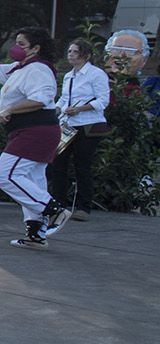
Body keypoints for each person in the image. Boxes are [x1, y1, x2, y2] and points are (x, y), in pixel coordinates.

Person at [0, 28, 70, 249]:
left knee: (5, 175)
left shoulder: (39, 69)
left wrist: (10, 109)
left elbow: (40, 99)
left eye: (21, 44)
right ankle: (36, 233)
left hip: (36, 131)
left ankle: (53, 210)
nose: (15, 48)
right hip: (29, 131)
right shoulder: (21, 68)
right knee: (32, 181)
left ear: (36, 48)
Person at [50, 38, 112, 221]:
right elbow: (64, 99)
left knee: (82, 165)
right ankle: (59, 204)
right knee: (58, 163)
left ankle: (83, 207)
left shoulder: (96, 74)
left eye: (75, 52)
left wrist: (79, 109)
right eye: (69, 51)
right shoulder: (69, 75)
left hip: (89, 125)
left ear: (86, 55)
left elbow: (103, 101)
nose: (71, 55)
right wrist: (55, 110)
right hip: (68, 124)